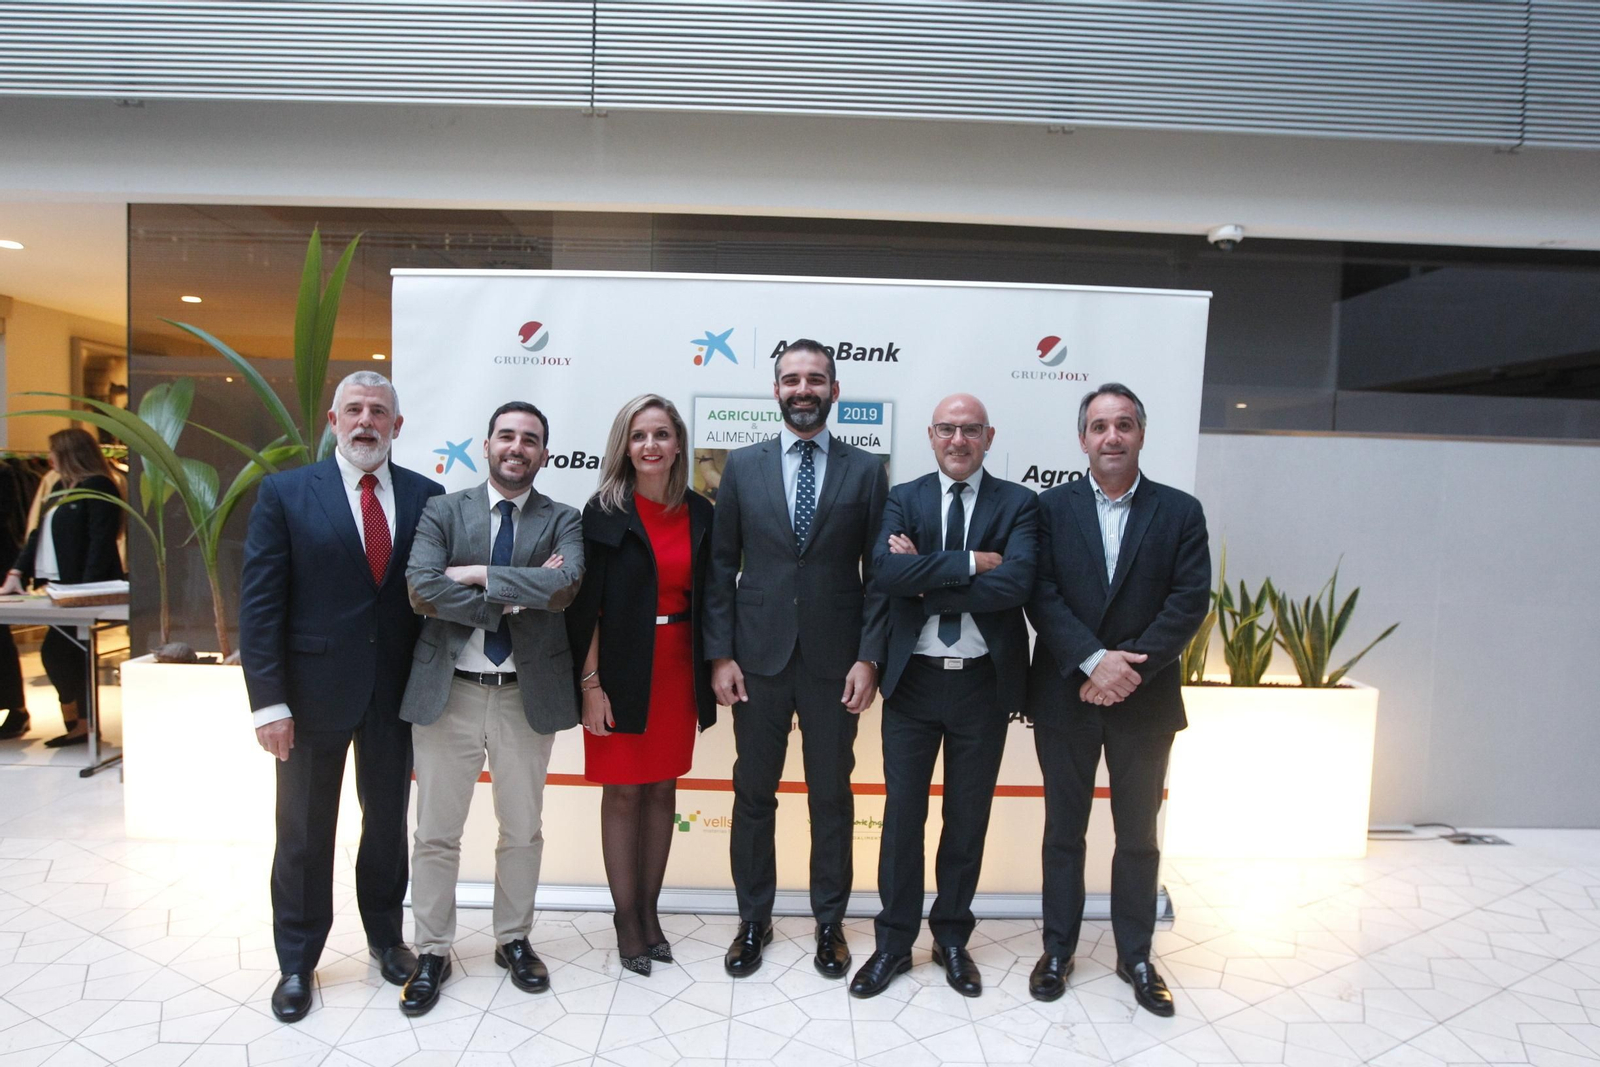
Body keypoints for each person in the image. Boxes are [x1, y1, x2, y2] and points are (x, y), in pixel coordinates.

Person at [238, 371, 444, 1023]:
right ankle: (297, 960)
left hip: (395, 695)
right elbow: (261, 602)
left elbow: (431, 599)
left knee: (386, 824)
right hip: (308, 697)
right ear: (333, 420)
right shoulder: (286, 493)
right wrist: (268, 701)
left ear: (396, 426)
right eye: (353, 409)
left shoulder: (426, 496)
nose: (365, 421)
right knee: (302, 830)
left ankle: (386, 939)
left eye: (378, 411)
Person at [703, 338, 889, 979]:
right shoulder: (742, 466)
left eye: (815, 379)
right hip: (757, 661)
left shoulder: (865, 471)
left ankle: (830, 923)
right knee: (753, 795)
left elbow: (880, 574)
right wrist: (720, 654)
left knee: (832, 797)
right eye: (791, 379)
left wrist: (870, 657)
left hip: (837, 666)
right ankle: (753, 920)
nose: (802, 389)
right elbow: (722, 565)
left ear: (834, 391)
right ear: (776, 390)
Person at [1024, 383, 1210, 1017]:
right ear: (1083, 439)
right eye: (1099, 426)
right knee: (1063, 834)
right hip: (1065, 696)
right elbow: (1040, 594)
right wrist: (1092, 660)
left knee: (1137, 838)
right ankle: (1057, 950)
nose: (1111, 436)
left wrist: (1127, 668)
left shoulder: (1180, 511)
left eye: (1123, 425)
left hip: (1145, 697)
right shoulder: (1048, 510)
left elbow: (1188, 602)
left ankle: (1136, 954)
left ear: (1140, 434)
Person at [848, 394, 1038, 1000]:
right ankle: (894, 943)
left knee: (967, 817)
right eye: (948, 429)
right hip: (914, 681)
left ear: (989, 435)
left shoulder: (1019, 503)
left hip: (984, 684)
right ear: (931, 435)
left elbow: (1017, 585)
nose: (959, 440)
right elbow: (883, 574)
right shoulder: (903, 497)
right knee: (902, 816)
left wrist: (927, 576)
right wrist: (973, 563)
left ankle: (952, 938)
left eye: (971, 430)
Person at [398, 400, 583, 1016]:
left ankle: (513, 940)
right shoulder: (442, 509)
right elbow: (422, 586)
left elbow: (564, 587)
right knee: (435, 834)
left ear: (543, 454)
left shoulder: (563, 518)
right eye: (507, 436)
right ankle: (432, 951)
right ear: (487, 445)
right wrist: (506, 599)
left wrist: (477, 573)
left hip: (524, 696)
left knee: (522, 829)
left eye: (530, 439)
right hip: (450, 690)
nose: (517, 447)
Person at [565, 394, 715, 977]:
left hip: (679, 665)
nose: (650, 445)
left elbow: (712, 595)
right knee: (623, 791)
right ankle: (625, 917)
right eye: (638, 435)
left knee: (661, 790)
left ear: (678, 443)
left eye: (661, 434)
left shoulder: (701, 512)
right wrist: (591, 684)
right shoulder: (602, 511)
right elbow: (587, 609)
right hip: (619, 667)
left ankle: (650, 912)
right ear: (624, 447)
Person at [0, 428, 125, 747]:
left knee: (60, 653)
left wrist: (86, 587)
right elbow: (37, 534)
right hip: (58, 584)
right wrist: (17, 572)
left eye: (54, 451)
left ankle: (81, 724)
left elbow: (101, 539)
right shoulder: (58, 486)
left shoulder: (99, 485)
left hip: (79, 587)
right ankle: (78, 723)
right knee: (62, 653)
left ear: (70, 454)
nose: (49, 458)